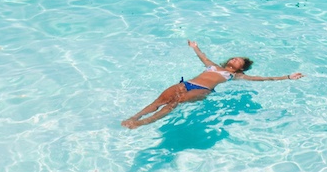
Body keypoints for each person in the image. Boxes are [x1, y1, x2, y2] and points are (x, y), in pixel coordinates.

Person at [121, 39, 303, 128]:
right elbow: (203, 57)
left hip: (202, 90)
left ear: (242, 68)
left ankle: (145, 122)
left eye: (239, 60)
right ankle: (133, 117)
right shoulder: (213, 66)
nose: (235, 59)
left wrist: (287, 77)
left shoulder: (235, 76)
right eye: (234, 57)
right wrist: (195, 47)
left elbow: (262, 79)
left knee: (174, 102)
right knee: (158, 100)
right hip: (188, 83)